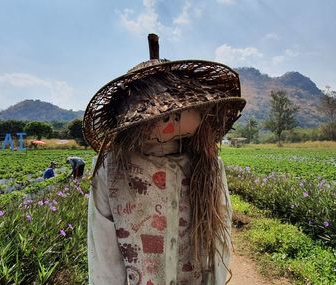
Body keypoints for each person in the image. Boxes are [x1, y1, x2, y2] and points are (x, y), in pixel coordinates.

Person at [84, 34, 246, 285]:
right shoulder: (112, 167)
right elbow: (103, 247)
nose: (168, 123)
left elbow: (220, 227)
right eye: (157, 115)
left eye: (178, 113)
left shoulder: (208, 164)